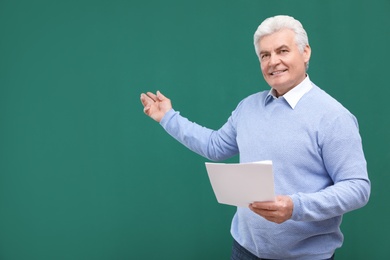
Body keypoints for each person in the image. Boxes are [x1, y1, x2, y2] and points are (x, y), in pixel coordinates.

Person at [140, 15, 370, 260]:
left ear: (305, 52)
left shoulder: (333, 116)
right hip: (244, 251)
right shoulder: (248, 107)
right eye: (265, 55)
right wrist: (168, 117)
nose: (274, 62)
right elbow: (214, 146)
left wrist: (295, 207)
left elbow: (357, 188)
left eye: (282, 50)